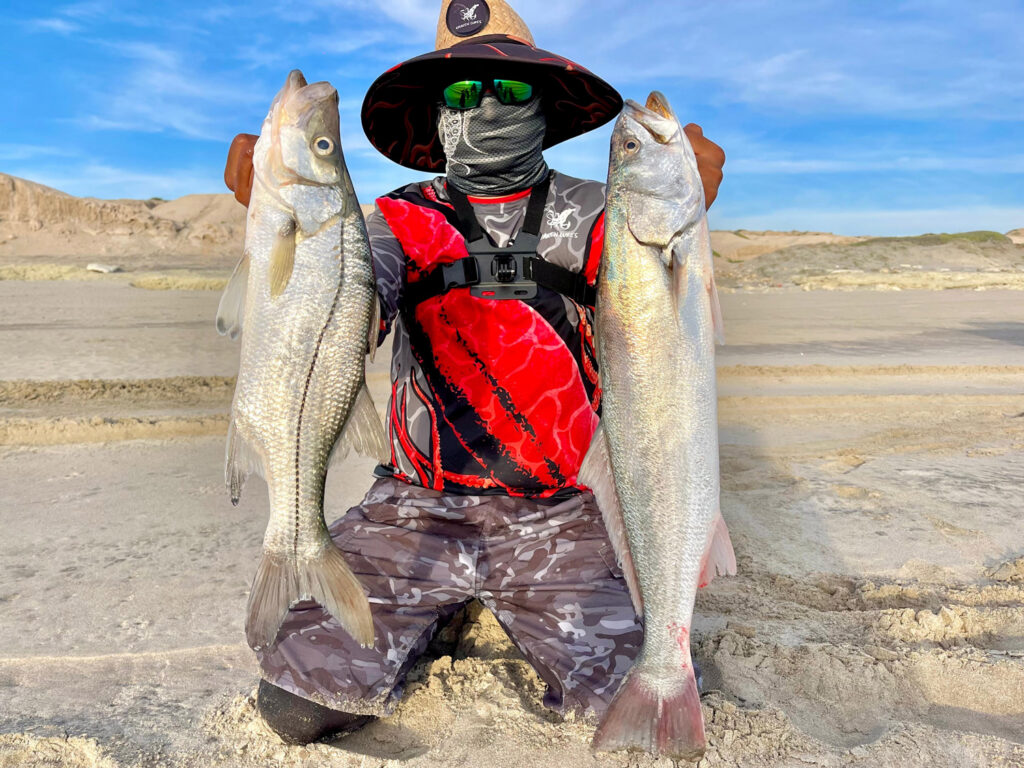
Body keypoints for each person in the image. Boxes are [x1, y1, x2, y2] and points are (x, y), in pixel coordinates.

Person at [223, 0, 725, 745]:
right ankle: (442, 606)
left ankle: (476, 604)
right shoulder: (392, 221)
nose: (487, 105)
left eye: (510, 88)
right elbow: (348, 320)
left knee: (653, 688)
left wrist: (686, 207)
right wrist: (285, 237)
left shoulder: (606, 215)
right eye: (462, 91)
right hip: (414, 508)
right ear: (435, 114)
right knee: (296, 705)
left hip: (561, 510)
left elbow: (657, 330)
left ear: (545, 105)